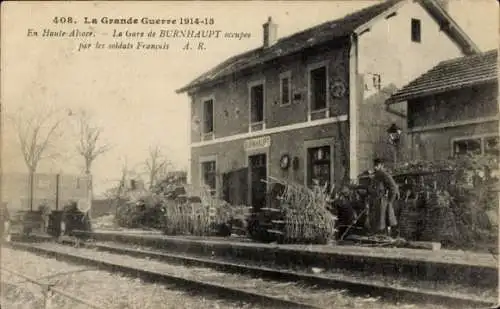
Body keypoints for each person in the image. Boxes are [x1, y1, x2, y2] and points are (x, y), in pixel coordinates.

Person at [368, 158, 399, 236]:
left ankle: (383, 238)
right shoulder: (376, 175)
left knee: (381, 223)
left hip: (381, 202)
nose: (375, 167)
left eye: (377, 165)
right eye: (374, 165)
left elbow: (393, 187)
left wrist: (390, 201)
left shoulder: (384, 174)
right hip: (375, 201)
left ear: (382, 165)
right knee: (376, 222)